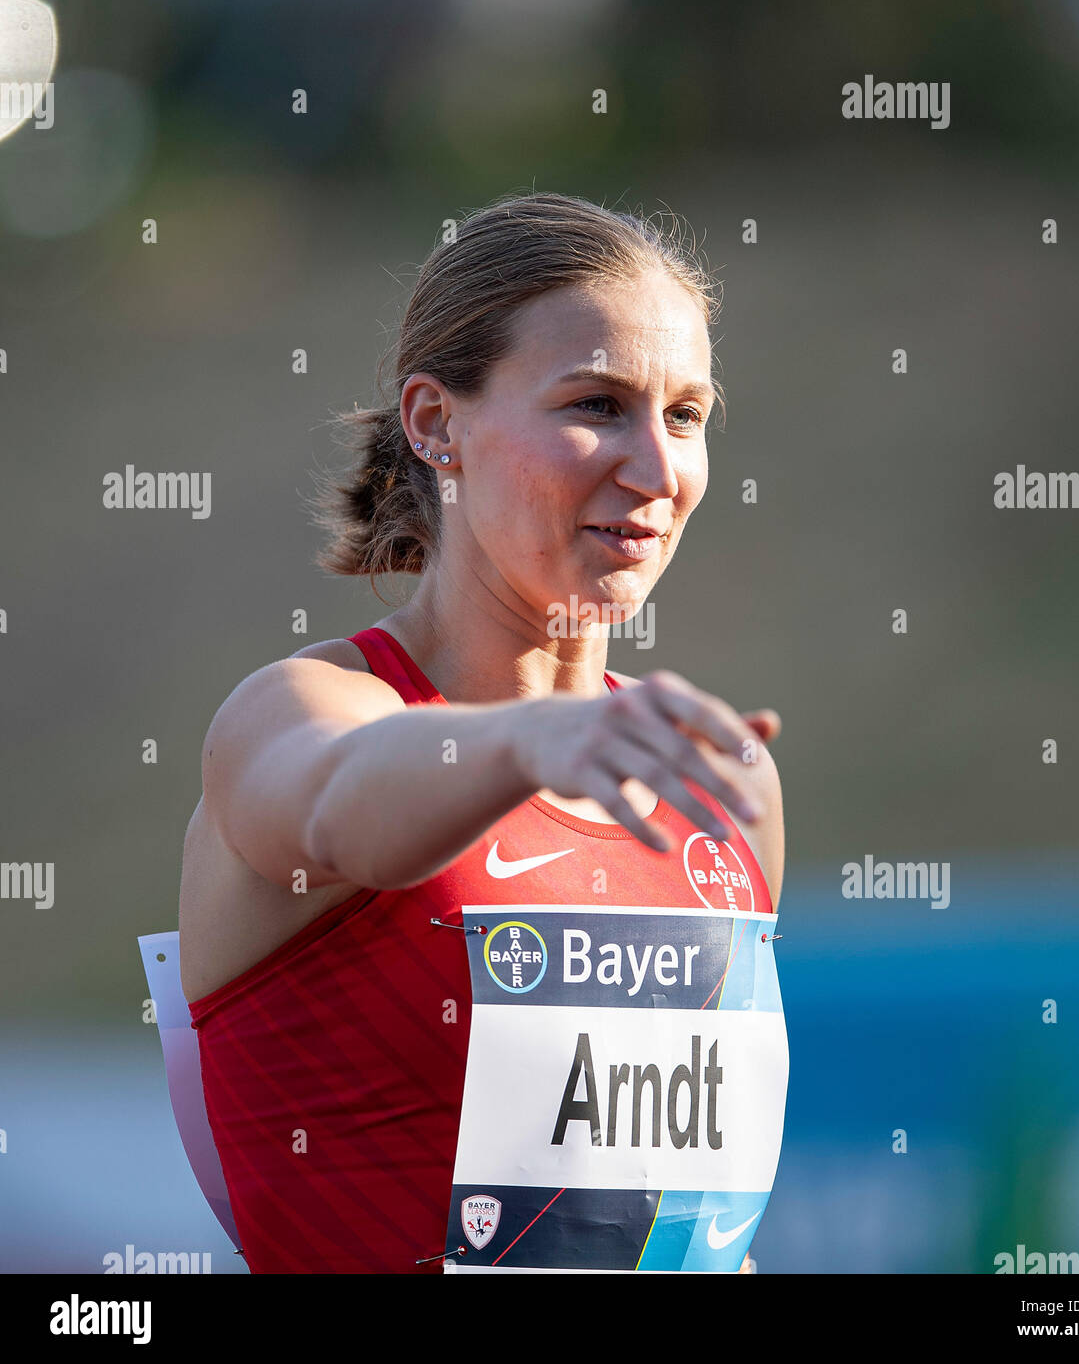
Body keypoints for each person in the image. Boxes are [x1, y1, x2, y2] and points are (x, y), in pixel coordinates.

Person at [178, 191, 785, 1274]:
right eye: (596, 403)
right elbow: (335, 805)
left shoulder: (720, 779)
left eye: (684, 414)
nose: (655, 472)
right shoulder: (305, 710)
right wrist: (524, 742)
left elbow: (679, 1232)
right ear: (433, 422)